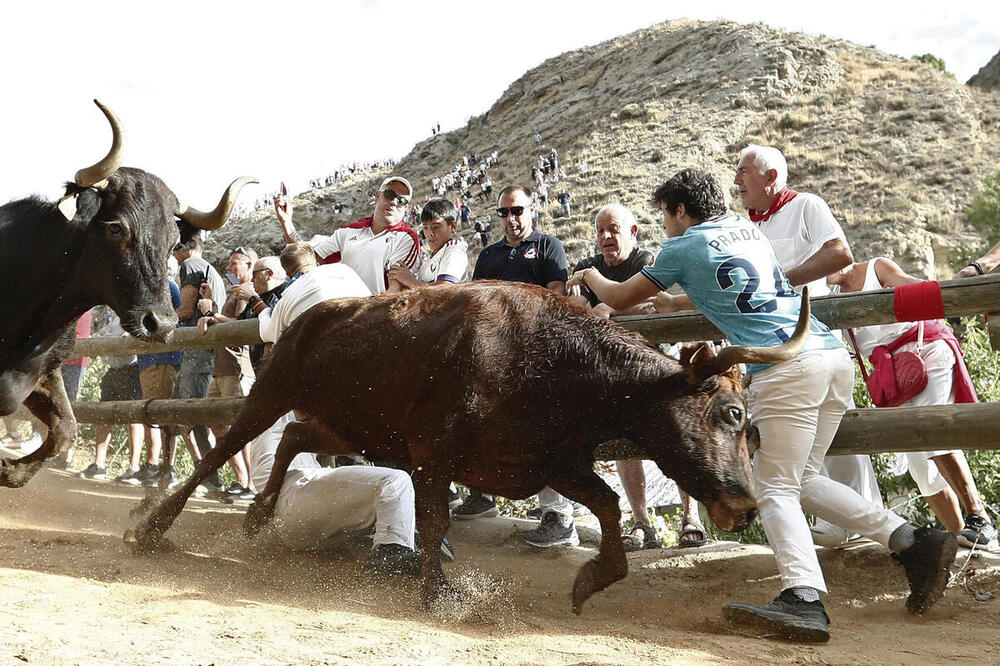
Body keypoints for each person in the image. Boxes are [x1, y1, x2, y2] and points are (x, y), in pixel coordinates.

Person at [567, 168, 958, 643]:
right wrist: (670, 306)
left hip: (782, 366)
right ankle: (914, 541)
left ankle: (804, 598)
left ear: (680, 210)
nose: (664, 226)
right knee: (803, 479)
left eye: (665, 216)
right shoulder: (746, 229)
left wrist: (589, 276)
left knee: (772, 487)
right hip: (827, 357)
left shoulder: (680, 246)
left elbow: (620, 295)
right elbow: (730, 289)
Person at [733, 143, 883, 548]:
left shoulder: (807, 206)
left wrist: (782, 282)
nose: (736, 181)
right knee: (814, 448)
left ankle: (869, 526)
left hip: (816, 339)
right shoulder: (750, 226)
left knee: (839, 442)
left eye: (743, 171)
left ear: (771, 177)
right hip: (776, 349)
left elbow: (840, 254)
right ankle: (848, 524)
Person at [244, 247, 428, 574]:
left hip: (295, 510)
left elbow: (269, 329)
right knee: (396, 482)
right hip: (297, 500)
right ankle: (391, 552)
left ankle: (380, 540)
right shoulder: (341, 276)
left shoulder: (271, 403)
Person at [828, 258, 998, 549]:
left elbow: (914, 286)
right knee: (922, 470)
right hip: (896, 376)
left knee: (934, 435)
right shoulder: (831, 300)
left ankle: (980, 518)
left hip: (926, 351)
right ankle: (963, 539)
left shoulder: (876, 268)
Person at [568, 203, 704, 549]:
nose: (605, 237)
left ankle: (691, 518)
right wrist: (593, 306)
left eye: (613, 229)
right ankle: (643, 523)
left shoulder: (646, 262)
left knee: (678, 435)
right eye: (600, 231)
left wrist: (611, 306)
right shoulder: (588, 266)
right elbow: (574, 308)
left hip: (660, 367)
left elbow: (652, 304)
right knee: (623, 445)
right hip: (616, 374)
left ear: (632, 232)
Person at [463, 185, 576, 549]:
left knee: (543, 429)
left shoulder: (548, 246)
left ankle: (558, 515)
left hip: (537, 357)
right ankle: (482, 493)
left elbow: (556, 298)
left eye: (517, 211)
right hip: (494, 357)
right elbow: (475, 302)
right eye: (503, 213)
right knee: (482, 422)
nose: (510, 219)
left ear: (532, 209)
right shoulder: (489, 254)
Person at [276, 176, 420, 294]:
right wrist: (286, 221)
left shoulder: (406, 238)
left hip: (374, 315)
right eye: (389, 195)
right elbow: (305, 259)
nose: (394, 202)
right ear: (377, 196)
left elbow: (396, 290)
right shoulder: (348, 231)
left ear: (406, 208)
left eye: (402, 201)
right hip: (341, 309)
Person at [165, 235, 228, 491]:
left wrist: (159, 321)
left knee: (191, 411)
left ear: (185, 249)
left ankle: (211, 476)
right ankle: (206, 474)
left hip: (198, 350)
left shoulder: (190, 266)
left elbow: (186, 310)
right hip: (204, 350)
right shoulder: (211, 270)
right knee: (187, 410)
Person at [196, 247, 259, 498]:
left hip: (237, 368)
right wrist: (212, 307)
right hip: (221, 368)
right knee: (216, 421)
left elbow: (242, 327)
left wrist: (214, 315)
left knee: (239, 426)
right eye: (230, 264)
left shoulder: (247, 294)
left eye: (235, 264)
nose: (230, 268)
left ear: (249, 266)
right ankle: (242, 480)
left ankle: (252, 484)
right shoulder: (235, 294)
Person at [125, 278, 183, 485]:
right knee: (151, 413)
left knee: (160, 413)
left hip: (162, 358)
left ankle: (163, 467)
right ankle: (154, 466)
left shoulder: (165, 284)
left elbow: (179, 311)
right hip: (147, 360)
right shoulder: (143, 286)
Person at [78, 312, 145, 481]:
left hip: (132, 369)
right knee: (104, 415)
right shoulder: (116, 313)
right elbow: (103, 334)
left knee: (134, 418)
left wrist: (119, 337)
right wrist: (106, 337)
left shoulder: (138, 312)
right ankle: (99, 464)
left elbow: (137, 333)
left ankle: (134, 467)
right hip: (113, 369)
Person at [386, 199, 468, 290]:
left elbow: (443, 291)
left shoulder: (454, 249)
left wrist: (409, 280)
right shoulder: (433, 256)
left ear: (452, 226)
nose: (430, 233)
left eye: (436, 227)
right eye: (425, 227)